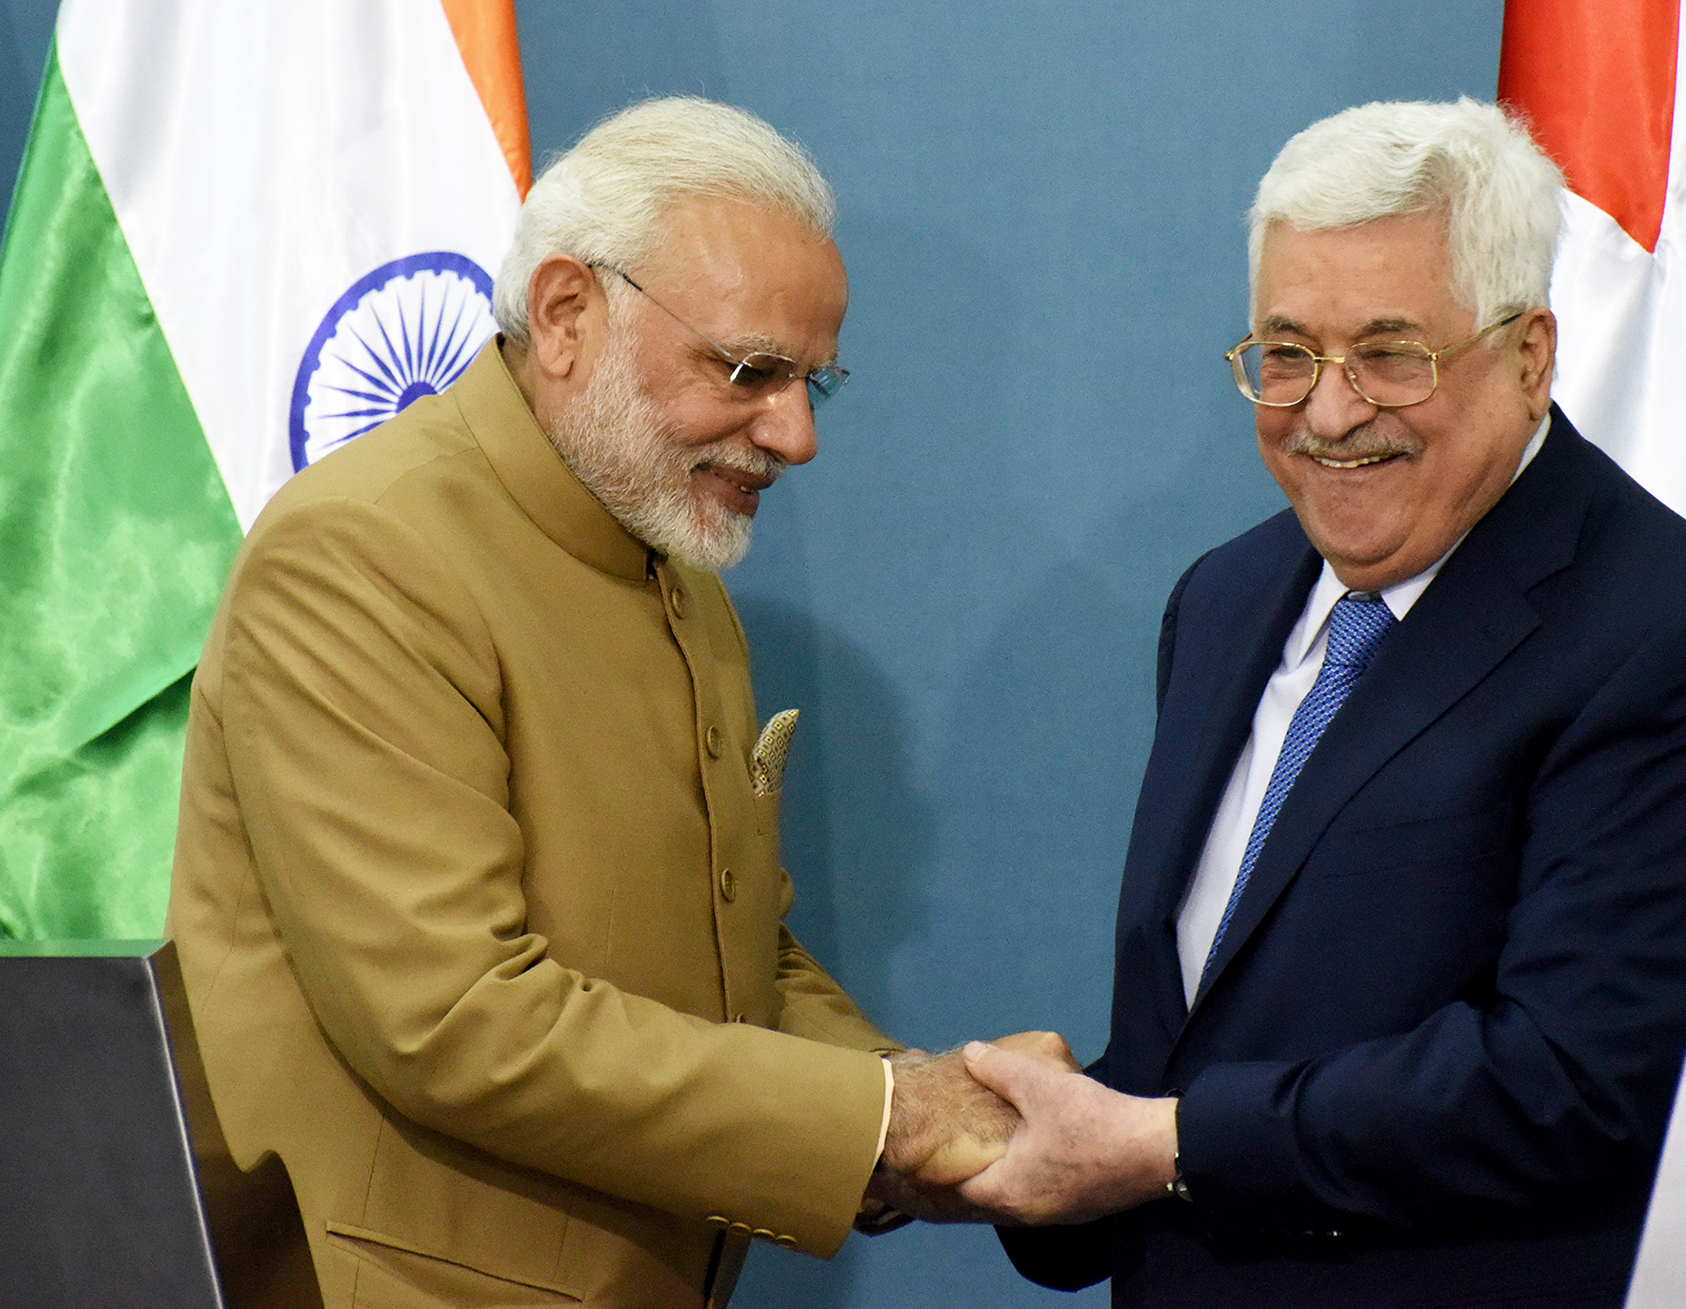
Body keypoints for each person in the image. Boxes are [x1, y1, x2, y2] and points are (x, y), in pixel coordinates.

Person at [167, 97, 1054, 1309]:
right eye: (748, 370)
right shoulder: (362, 553)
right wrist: (890, 1117)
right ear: (569, 313)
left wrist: (925, 1098)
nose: (793, 435)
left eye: (812, 385)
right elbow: (457, 1019)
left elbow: (728, 956)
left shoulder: (672, 557)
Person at [962, 99, 1686, 1307]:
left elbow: (1581, 1083)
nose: (1324, 411)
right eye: (1284, 350)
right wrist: (1039, 1126)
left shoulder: (1672, 638)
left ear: (1528, 355)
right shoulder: (1224, 598)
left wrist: (1162, 1144)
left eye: (1387, 354)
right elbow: (1229, 1034)